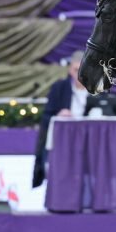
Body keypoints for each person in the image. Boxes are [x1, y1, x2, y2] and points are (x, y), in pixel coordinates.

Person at [32, 51, 88, 188]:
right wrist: (58, 116)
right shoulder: (59, 88)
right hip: (63, 143)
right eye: (76, 70)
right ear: (70, 70)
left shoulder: (99, 89)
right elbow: (46, 116)